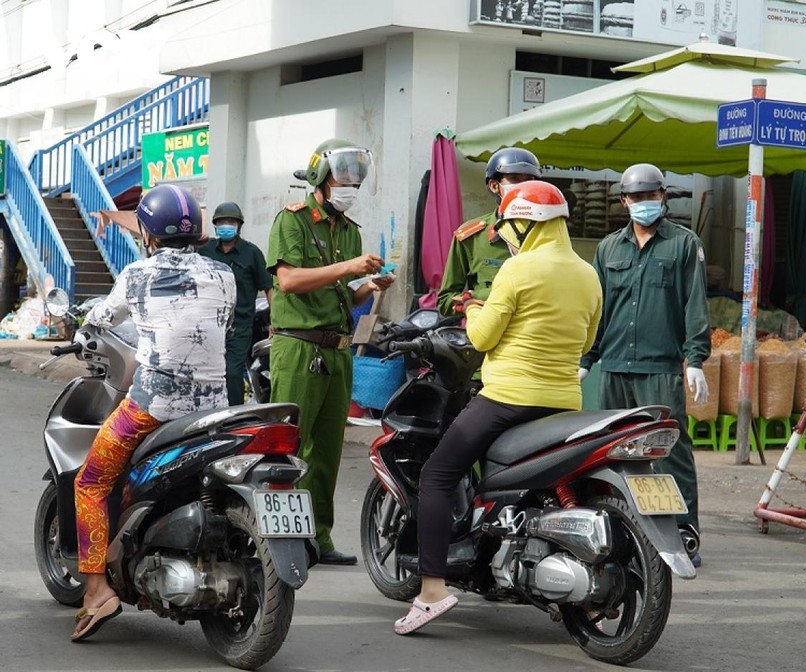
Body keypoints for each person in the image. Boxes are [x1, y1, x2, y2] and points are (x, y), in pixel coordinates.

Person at [394, 181, 603, 635]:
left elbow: (481, 338)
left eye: (510, 224)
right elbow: (586, 340)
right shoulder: (588, 274)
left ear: (527, 223)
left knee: (437, 474)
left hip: (508, 398)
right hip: (564, 401)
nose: (506, 233)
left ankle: (431, 591)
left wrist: (472, 309)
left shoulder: (518, 269)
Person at [72, 185, 236, 641]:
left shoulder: (136, 275)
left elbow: (102, 319)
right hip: (214, 409)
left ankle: (96, 589)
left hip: (152, 408)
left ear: (147, 231)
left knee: (90, 481)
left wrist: (84, 329)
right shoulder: (225, 274)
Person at [266, 138, 395, 566]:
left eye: (357, 179)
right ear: (321, 177)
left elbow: (345, 297)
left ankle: (317, 538)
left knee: (326, 452)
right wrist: (349, 268)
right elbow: (288, 281)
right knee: (288, 446)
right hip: (299, 348)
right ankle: (277, 538)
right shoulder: (293, 221)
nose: (351, 186)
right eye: (344, 177)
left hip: (338, 352)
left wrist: (367, 288)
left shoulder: (350, 230)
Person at [579, 162, 711, 567]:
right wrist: (588, 358)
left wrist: (695, 359)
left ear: (664, 198)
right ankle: (620, 534)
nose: (644, 203)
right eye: (636, 197)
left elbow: (694, 304)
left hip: (660, 369)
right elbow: (599, 308)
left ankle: (685, 533)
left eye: (651, 196)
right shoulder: (608, 248)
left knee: (671, 453)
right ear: (623, 201)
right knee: (612, 453)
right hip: (615, 367)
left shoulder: (684, 245)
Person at [436, 147, 541, 316]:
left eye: (529, 180)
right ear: (494, 186)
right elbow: (445, 302)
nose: (523, 187)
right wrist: (481, 297)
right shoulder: (471, 236)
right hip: (488, 335)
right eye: (514, 179)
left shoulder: (545, 231)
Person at [199, 201, 273, 405]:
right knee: (206, 373)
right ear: (215, 225)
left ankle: (233, 416)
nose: (226, 225)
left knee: (231, 373)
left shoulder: (252, 254)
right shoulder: (204, 251)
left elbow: (269, 287)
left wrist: (274, 321)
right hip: (208, 325)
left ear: (239, 225)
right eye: (222, 221)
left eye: (231, 221)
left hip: (239, 327)